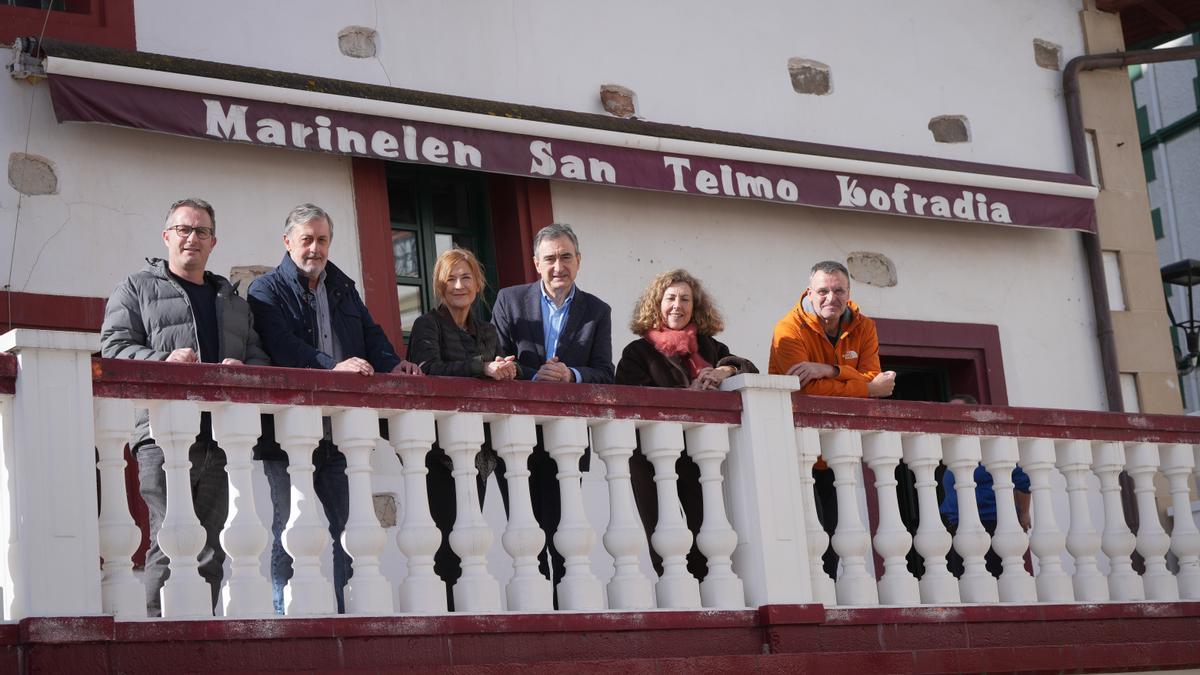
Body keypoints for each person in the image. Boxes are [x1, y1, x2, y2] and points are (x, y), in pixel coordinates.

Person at [247, 203, 421, 614]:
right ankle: (285, 613)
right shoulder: (265, 289)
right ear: (287, 242)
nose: (314, 248)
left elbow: (370, 334)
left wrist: (393, 362)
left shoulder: (342, 286)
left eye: (322, 240)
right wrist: (333, 367)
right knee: (289, 529)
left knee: (350, 529)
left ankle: (355, 611)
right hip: (289, 433)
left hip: (342, 432)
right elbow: (282, 346)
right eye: (306, 239)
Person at [100, 197, 270, 616]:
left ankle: (201, 630)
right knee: (169, 535)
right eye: (184, 229)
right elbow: (114, 347)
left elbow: (260, 357)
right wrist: (164, 361)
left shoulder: (231, 300)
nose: (192, 238)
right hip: (161, 434)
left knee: (211, 542)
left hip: (221, 436)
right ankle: (159, 631)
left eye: (202, 231)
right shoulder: (136, 288)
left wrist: (242, 368)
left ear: (214, 242)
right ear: (167, 236)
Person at [490, 222, 614, 587]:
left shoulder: (597, 310)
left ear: (579, 261)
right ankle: (536, 600)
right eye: (550, 259)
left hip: (569, 437)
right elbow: (497, 358)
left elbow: (606, 372)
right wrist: (536, 375)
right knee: (525, 529)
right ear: (535, 263)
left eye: (565, 257)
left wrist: (570, 375)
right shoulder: (509, 300)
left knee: (566, 529)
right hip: (516, 435)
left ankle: (568, 600)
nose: (558, 266)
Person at [615, 269, 757, 580]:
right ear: (657, 304)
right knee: (662, 535)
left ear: (696, 306)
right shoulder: (637, 353)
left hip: (700, 458)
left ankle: (709, 598)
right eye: (670, 298)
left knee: (705, 531)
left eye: (685, 299)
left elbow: (749, 368)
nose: (677, 305)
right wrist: (688, 396)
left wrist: (723, 372)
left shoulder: (710, 348)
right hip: (652, 459)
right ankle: (675, 593)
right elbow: (633, 399)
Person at [768, 260, 897, 576]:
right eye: (823, 291)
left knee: (838, 540)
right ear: (809, 292)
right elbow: (806, 391)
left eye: (839, 290)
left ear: (849, 292)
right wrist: (867, 389)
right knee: (809, 541)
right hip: (796, 448)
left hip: (840, 450)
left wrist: (831, 370)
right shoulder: (789, 329)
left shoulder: (864, 326)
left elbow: (873, 375)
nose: (831, 298)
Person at [406, 247, 517, 606]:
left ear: (478, 283)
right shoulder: (427, 324)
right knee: (442, 536)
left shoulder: (486, 331)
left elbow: (490, 375)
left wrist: (504, 368)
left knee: (471, 535)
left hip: (478, 449)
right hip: (438, 450)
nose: (458, 285)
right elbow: (428, 368)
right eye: (450, 278)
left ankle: (469, 607)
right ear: (439, 284)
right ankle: (446, 610)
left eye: (466, 277)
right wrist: (481, 369)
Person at [940, 393, 1032, 578]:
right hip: (959, 527)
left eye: (957, 411)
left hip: (990, 525)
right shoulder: (953, 448)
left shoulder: (987, 445)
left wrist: (1023, 513)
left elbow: (1022, 481)